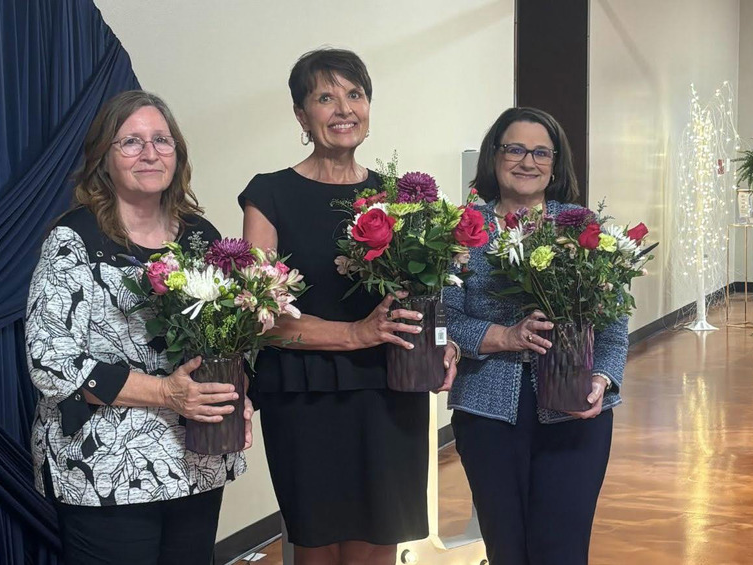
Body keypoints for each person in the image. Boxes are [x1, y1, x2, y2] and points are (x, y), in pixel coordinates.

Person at [239, 48, 458, 565]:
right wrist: (356, 333)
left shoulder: (399, 197)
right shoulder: (268, 195)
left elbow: (430, 297)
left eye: (355, 94)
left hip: (389, 389)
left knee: (380, 541)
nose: (343, 109)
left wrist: (444, 349)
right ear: (301, 116)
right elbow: (259, 317)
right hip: (305, 392)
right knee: (316, 546)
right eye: (325, 97)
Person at [26, 90, 250, 565]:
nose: (150, 153)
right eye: (131, 142)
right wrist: (168, 393)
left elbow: (234, 334)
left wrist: (238, 397)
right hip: (103, 469)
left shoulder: (200, 236)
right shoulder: (74, 240)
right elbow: (51, 360)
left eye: (161, 140)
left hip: (196, 457)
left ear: (178, 153)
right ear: (103, 159)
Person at [445, 107, 630, 565]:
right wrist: (506, 336)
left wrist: (602, 379)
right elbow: (446, 317)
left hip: (574, 411)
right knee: (507, 549)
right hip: (487, 411)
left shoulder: (582, 225)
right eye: (515, 149)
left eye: (540, 152)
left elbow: (613, 320)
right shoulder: (465, 229)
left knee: (562, 551)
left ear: (555, 162)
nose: (527, 161)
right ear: (494, 156)